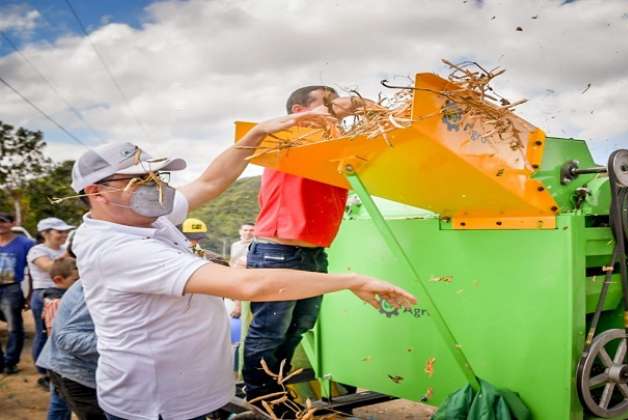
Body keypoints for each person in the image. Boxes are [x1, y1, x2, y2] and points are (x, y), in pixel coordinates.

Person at [70, 108, 415, 420]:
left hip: (192, 393)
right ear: (96, 192)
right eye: (138, 180)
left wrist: (255, 136)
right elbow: (248, 285)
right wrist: (351, 280)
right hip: (159, 404)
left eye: (156, 176)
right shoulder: (115, 248)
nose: (154, 186)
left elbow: (210, 182)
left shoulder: (145, 218)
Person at [243, 86, 371, 400]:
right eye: (326, 101)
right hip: (278, 252)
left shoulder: (332, 149)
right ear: (301, 112)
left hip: (313, 254)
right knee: (270, 331)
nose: (335, 107)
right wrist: (353, 104)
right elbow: (350, 106)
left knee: (298, 327)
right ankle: (260, 395)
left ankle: (278, 388)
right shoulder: (291, 138)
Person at [37, 256, 105, 420]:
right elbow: (66, 338)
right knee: (61, 407)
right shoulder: (99, 286)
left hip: (66, 366)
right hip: (73, 370)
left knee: (59, 406)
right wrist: (124, 345)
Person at [27, 217, 75, 387]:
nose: (64, 235)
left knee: (61, 333)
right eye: (59, 231)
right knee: (44, 334)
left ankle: (57, 370)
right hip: (45, 294)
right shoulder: (36, 251)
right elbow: (51, 268)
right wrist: (70, 252)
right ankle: (44, 373)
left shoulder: (63, 249)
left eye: (65, 232)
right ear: (45, 233)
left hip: (66, 293)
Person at [36, 257, 78, 420]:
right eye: (75, 280)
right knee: (60, 404)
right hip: (60, 361)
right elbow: (59, 334)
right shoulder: (56, 302)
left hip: (62, 360)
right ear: (59, 280)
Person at [0, 211, 34, 374]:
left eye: (4, 221)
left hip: (11, 288)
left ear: (12, 223)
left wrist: (31, 294)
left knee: (14, 327)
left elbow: (34, 270)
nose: (1, 224)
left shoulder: (26, 243)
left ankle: (10, 362)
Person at [228, 223, 255, 319]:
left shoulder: (257, 245)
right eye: (245, 230)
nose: (248, 232)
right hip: (235, 274)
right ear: (240, 231)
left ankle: (238, 308)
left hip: (250, 275)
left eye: (251, 230)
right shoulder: (235, 245)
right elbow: (232, 260)